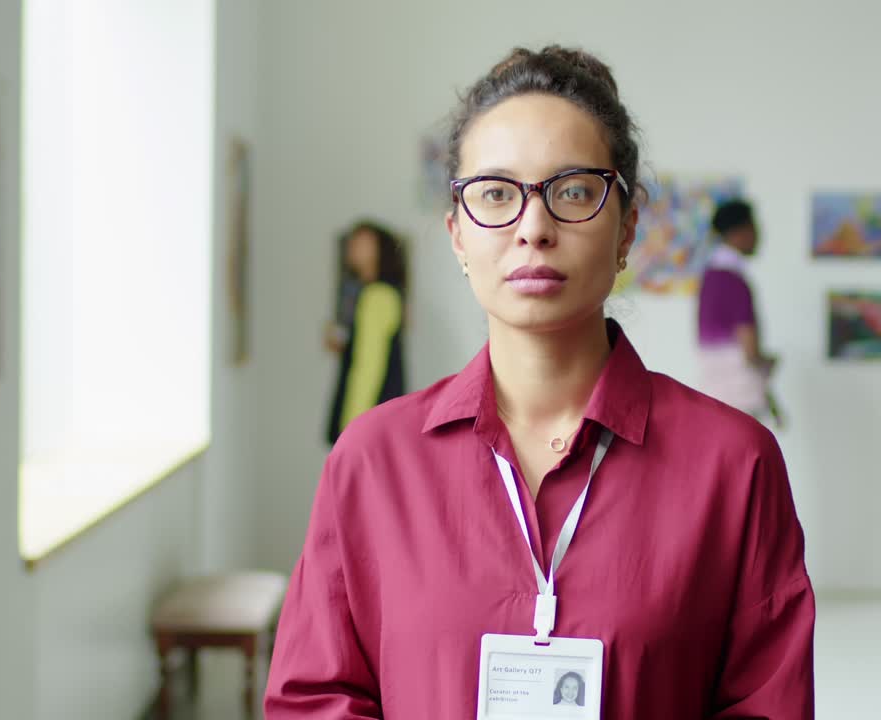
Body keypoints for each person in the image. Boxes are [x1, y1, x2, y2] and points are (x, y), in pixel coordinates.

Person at [266, 46, 814, 718]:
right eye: (496, 194)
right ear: (458, 235)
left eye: (574, 191)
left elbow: (767, 706)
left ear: (626, 229)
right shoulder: (374, 459)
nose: (533, 228)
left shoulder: (734, 463)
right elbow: (316, 698)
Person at [697, 200, 783, 425]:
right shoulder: (734, 280)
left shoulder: (710, 277)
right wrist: (769, 362)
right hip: (739, 396)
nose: (758, 235)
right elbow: (750, 350)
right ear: (740, 232)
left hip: (712, 392)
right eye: (754, 228)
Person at [323, 220, 408, 444]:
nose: (353, 246)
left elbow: (368, 367)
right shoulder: (376, 293)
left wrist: (351, 429)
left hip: (369, 423)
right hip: (381, 421)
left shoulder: (376, 296)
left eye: (362, 242)